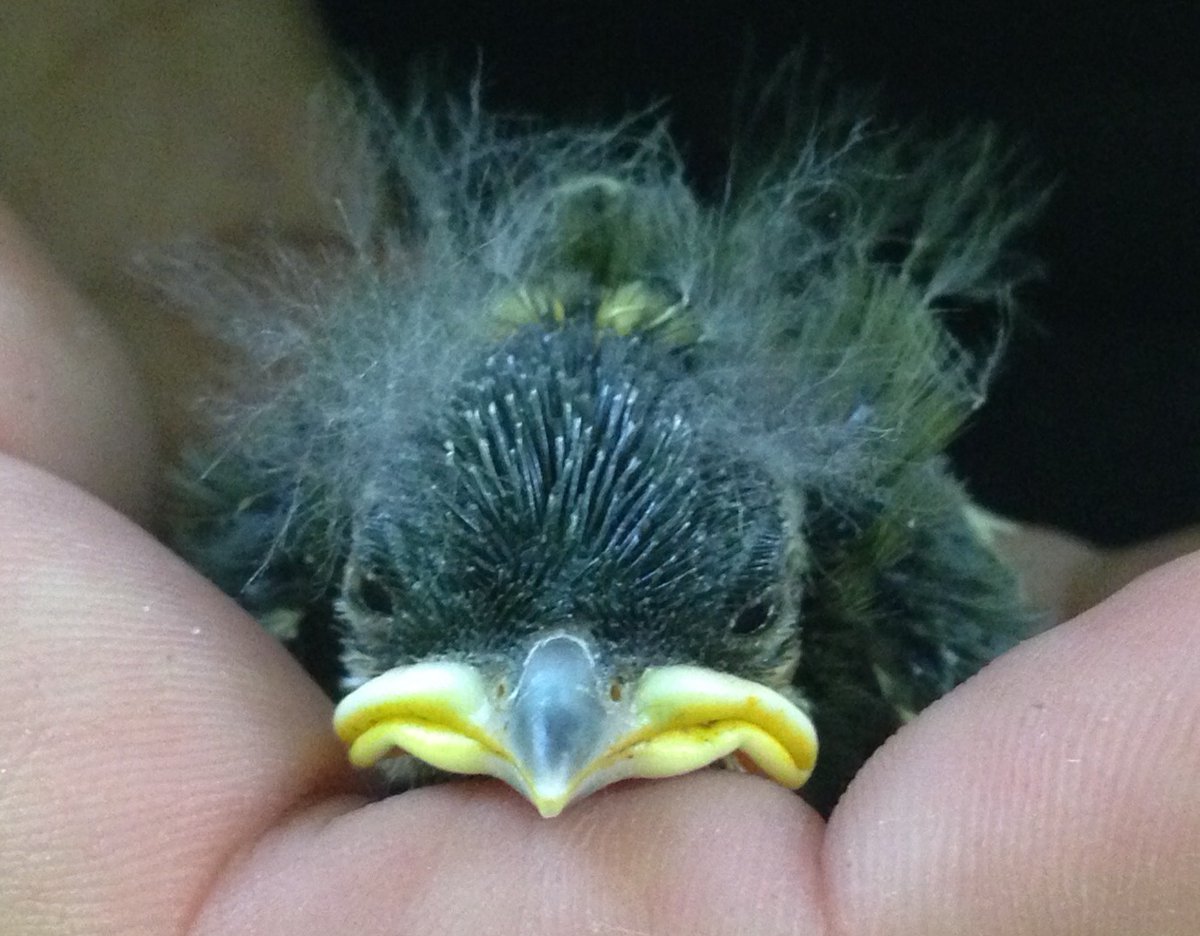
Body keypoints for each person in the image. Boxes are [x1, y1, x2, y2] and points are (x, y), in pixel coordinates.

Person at [1, 4, 1198, 933]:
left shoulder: (875, 535)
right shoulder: (295, 504)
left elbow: (984, 668)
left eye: (741, 611)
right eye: (382, 593)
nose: (553, 733)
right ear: (339, 559)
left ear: (803, 573)